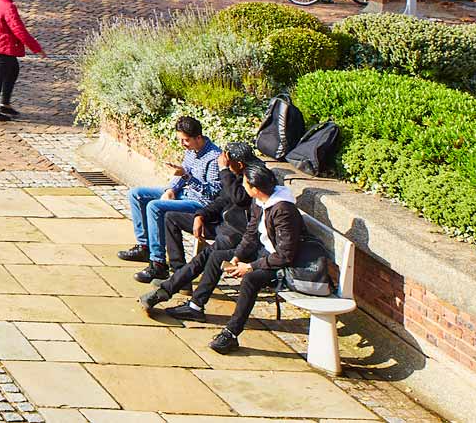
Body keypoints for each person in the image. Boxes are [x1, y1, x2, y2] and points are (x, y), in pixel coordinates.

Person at [206, 164, 328, 355]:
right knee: (217, 256)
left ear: (255, 188)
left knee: (250, 280)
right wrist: (238, 255)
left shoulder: (283, 210)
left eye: (245, 183)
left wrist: (251, 267)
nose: (243, 186)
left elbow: (286, 255)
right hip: (267, 253)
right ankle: (196, 305)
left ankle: (231, 333)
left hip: (285, 264)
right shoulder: (260, 201)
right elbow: (251, 233)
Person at [142, 141, 258, 318]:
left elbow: (240, 198)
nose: (224, 164)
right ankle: (179, 272)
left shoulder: (255, 177)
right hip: (223, 225)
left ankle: (180, 297)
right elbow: (221, 200)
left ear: (239, 164)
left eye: (228, 162)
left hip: (237, 234)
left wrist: (224, 170)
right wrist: (201, 215)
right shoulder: (237, 173)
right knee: (171, 217)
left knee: (206, 258)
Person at [117, 115, 221, 282]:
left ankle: (158, 264)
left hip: (199, 203)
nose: (182, 144)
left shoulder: (214, 158)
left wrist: (187, 178)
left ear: (198, 137)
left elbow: (212, 193)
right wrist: (171, 189)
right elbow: (182, 172)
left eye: (185, 140)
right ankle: (145, 246)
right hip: (182, 193)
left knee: (155, 207)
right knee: (136, 194)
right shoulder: (191, 150)